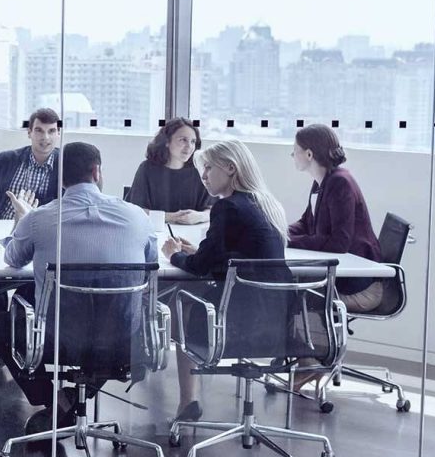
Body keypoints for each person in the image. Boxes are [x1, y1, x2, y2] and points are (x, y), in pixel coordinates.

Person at [0, 141, 157, 433]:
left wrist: (24, 221)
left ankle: (53, 401)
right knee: (111, 315)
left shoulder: (39, 219)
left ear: (60, 178)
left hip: (57, 340)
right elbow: (151, 264)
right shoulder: (137, 217)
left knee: (0, 324)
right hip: (122, 341)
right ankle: (75, 396)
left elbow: (12, 259)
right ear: (97, 171)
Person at [161, 139, 288, 422]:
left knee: (178, 305)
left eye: (208, 168)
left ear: (231, 168)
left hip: (238, 319)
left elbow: (198, 268)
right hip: (276, 320)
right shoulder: (265, 204)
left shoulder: (227, 208)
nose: (203, 175)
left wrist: (172, 255)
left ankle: (188, 401)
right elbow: (236, 259)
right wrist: (199, 252)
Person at [0, 107, 63, 368]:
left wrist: (33, 214)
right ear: (29, 132)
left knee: (30, 284)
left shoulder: (66, 166)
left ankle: (16, 341)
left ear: (58, 133)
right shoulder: (7, 160)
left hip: (39, 239)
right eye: (39, 131)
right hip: (1, 235)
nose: (46, 138)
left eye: (52, 131)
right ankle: (1, 344)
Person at [288, 125, 383, 312]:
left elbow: (339, 243)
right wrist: (280, 232)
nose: (292, 155)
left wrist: (289, 242)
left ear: (309, 154)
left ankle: (304, 342)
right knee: (290, 292)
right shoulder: (321, 181)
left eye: (294, 150)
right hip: (344, 277)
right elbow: (307, 222)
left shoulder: (340, 183)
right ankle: (302, 341)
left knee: (290, 298)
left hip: (360, 286)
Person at [129, 118, 212, 224]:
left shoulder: (199, 171)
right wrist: (170, 217)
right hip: (154, 231)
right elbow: (135, 211)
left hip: (192, 233)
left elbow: (213, 209)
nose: (189, 146)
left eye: (193, 141)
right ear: (167, 141)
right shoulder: (147, 169)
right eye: (183, 140)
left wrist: (200, 216)